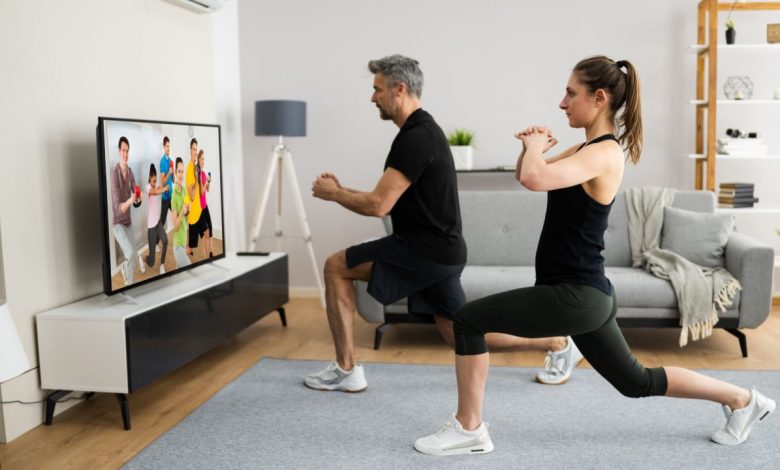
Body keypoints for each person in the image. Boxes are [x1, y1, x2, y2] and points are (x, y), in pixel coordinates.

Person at [414, 56, 776, 456]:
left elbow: (536, 177)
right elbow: (529, 173)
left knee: (467, 321)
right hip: (587, 294)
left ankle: (469, 429)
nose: (562, 102)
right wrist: (529, 149)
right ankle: (744, 400)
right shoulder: (587, 148)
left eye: (571, 93)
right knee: (636, 381)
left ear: (599, 98)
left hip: (575, 294)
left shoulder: (604, 154)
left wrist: (535, 148)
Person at [305, 54, 572, 393]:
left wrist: (333, 195)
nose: (373, 98)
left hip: (424, 249)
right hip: (440, 250)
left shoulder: (416, 137)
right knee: (458, 333)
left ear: (399, 89)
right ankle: (557, 343)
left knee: (336, 266)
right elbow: (387, 197)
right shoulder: (421, 131)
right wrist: (342, 191)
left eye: (377, 90)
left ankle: (346, 369)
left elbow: (378, 205)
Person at [110, 136, 144, 285]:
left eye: (127, 151)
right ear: (119, 151)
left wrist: (138, 198)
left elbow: (135, 200)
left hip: (128, 222)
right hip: (118, 224)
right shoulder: (114, 174)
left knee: (134, 259)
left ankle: (125, 267)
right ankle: (130, 288)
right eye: (123, 150)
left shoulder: (130, 173)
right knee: (130, 253)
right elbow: (118, 209)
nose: (125, 154)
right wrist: (130, 200)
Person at [145, 163, 169, 274]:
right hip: (151, 227)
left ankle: (162, 265)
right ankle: (143, 258)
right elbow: (154, 192)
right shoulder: (148, 188)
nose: (155, 183)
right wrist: (163, 189)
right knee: (151, 261)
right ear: (150, 179)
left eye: (156, 181)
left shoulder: (156, 186)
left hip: (157, 223)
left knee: (165, 241)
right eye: (153, 181)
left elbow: (159, 188)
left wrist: (166, 187)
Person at [171, 157, 191, 268]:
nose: (181, 175)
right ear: (175, 173)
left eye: (182, 171)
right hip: (177, 246)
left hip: (183, 243)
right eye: (179, 171)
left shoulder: (184, 190)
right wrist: (183, 212)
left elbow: (186, 216)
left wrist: (187, 211)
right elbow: (175, 227)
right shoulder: (173, 197)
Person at [185, 138, 204, 257]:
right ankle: (184, 260)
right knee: (191, 245)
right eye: (193, 149)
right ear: (190, 151)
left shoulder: (195, 166)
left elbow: (199, 191)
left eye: (196, 149)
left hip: (199, 210)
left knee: (207, 233)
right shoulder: (189, 169)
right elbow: (191, 195)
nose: (195, 152)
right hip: (193, 215)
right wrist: (197, 178)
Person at [196, 149, 213, 257]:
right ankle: (207, 258)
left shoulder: (203, 173)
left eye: (204, 159)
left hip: (205, 205)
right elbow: (201, 192)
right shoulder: (198, 174)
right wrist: (206, 182)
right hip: (200, 208)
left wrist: (209, 181)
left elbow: (208, 190)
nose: (203, 161)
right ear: (198, 159)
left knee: (210, 230)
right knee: (206, 233)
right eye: (201, 159)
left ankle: (210, 254)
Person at [158, 136, 175, 232]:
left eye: (169, 146)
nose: (169, 148)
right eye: (167, 146)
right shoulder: (162, 162)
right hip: (165, 197)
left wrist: (174, 172)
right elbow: (163, 181)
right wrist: (169, 172)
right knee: (162, 222)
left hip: (171, 196)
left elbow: (173, 181)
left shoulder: (171, 161)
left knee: (177, 215)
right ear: (164, 147)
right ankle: (155, 243)